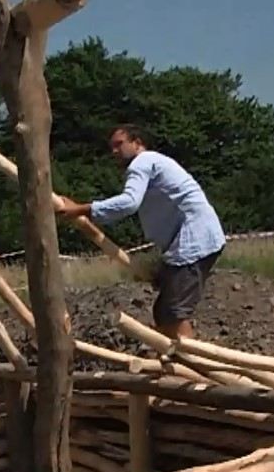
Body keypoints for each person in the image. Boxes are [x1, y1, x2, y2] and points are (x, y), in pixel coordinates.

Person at [56, 124, 226, 339]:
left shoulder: (142, 163)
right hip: (189, 242)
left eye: (119, 144)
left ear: (137, 143)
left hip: (194, 242)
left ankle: (195, 363)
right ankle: (177, 359)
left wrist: (80, 209)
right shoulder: (152, 163)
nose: (114, 151)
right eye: (112, 147)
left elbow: (129, 203)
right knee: (164, 310)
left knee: (173, 312)